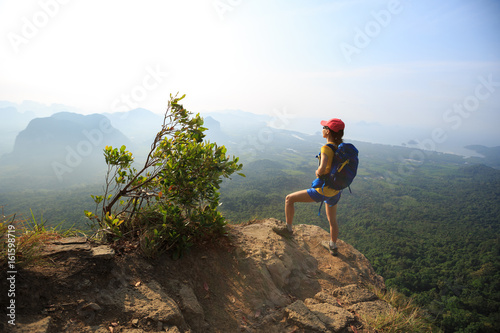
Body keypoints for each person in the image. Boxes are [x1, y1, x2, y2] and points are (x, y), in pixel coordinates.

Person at [273, 118, 345, 256]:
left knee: (289, 199)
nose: (322, 129)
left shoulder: (326, 148)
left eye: (324, 127)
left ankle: (288, 230)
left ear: (328, 131)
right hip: (336, 190)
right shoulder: (340, 148)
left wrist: (317, 172)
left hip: (323, 190)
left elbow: (322, 169)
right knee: (332, 220)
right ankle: (333, 246)